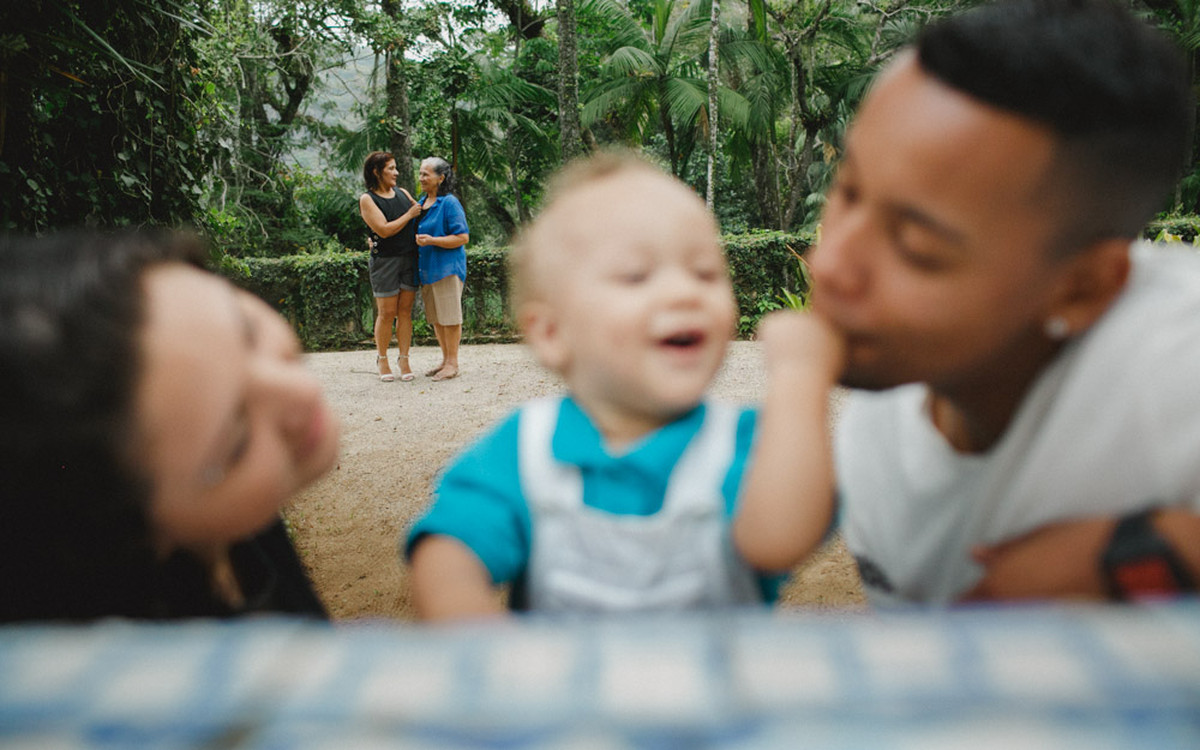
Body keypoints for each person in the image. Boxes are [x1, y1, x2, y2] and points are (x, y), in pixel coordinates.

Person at [809, 0, 1200, 605]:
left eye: (916, 246)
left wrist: (1145, 553)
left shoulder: (1178, 364)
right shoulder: (878, 431)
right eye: (848, 190)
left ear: (1084, 287)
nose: (831, 263)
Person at [404, 153, 843, 620]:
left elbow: (777, 541)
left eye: (706, 272)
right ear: (552, 333)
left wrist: (800, 378)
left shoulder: (747, 444)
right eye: (636, 275)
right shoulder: (525, 450)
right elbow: (446, 553)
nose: (685, 292)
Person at [0, 230, 340, 621]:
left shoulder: (234, 534)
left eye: (248, 329)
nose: (303, 389)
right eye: (237, 444)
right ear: (131, 541)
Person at [360, 151, 423, 382]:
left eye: (396, 168)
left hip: (409, 258)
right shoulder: (367, 199)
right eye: (391, 168)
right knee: (387, 313)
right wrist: (409, 214)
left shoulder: (403, 193)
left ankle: (404, 358)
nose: (396, 173)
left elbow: (421, 213)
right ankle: (383, 359)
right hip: (385, 261)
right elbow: (384, 230)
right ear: (377, 172)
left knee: (405, 312)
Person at [415, 156, 470, 382]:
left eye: (426, 174)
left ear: (441, 178)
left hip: (447, 268)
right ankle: (444, 359)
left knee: (450, 317)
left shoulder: (449, 203)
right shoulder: (421, 202)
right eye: (420, 173)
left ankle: (453, 363)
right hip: (427, 269)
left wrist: (433, 240)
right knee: (437, 318)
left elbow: (462, 237)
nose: (421, 178)